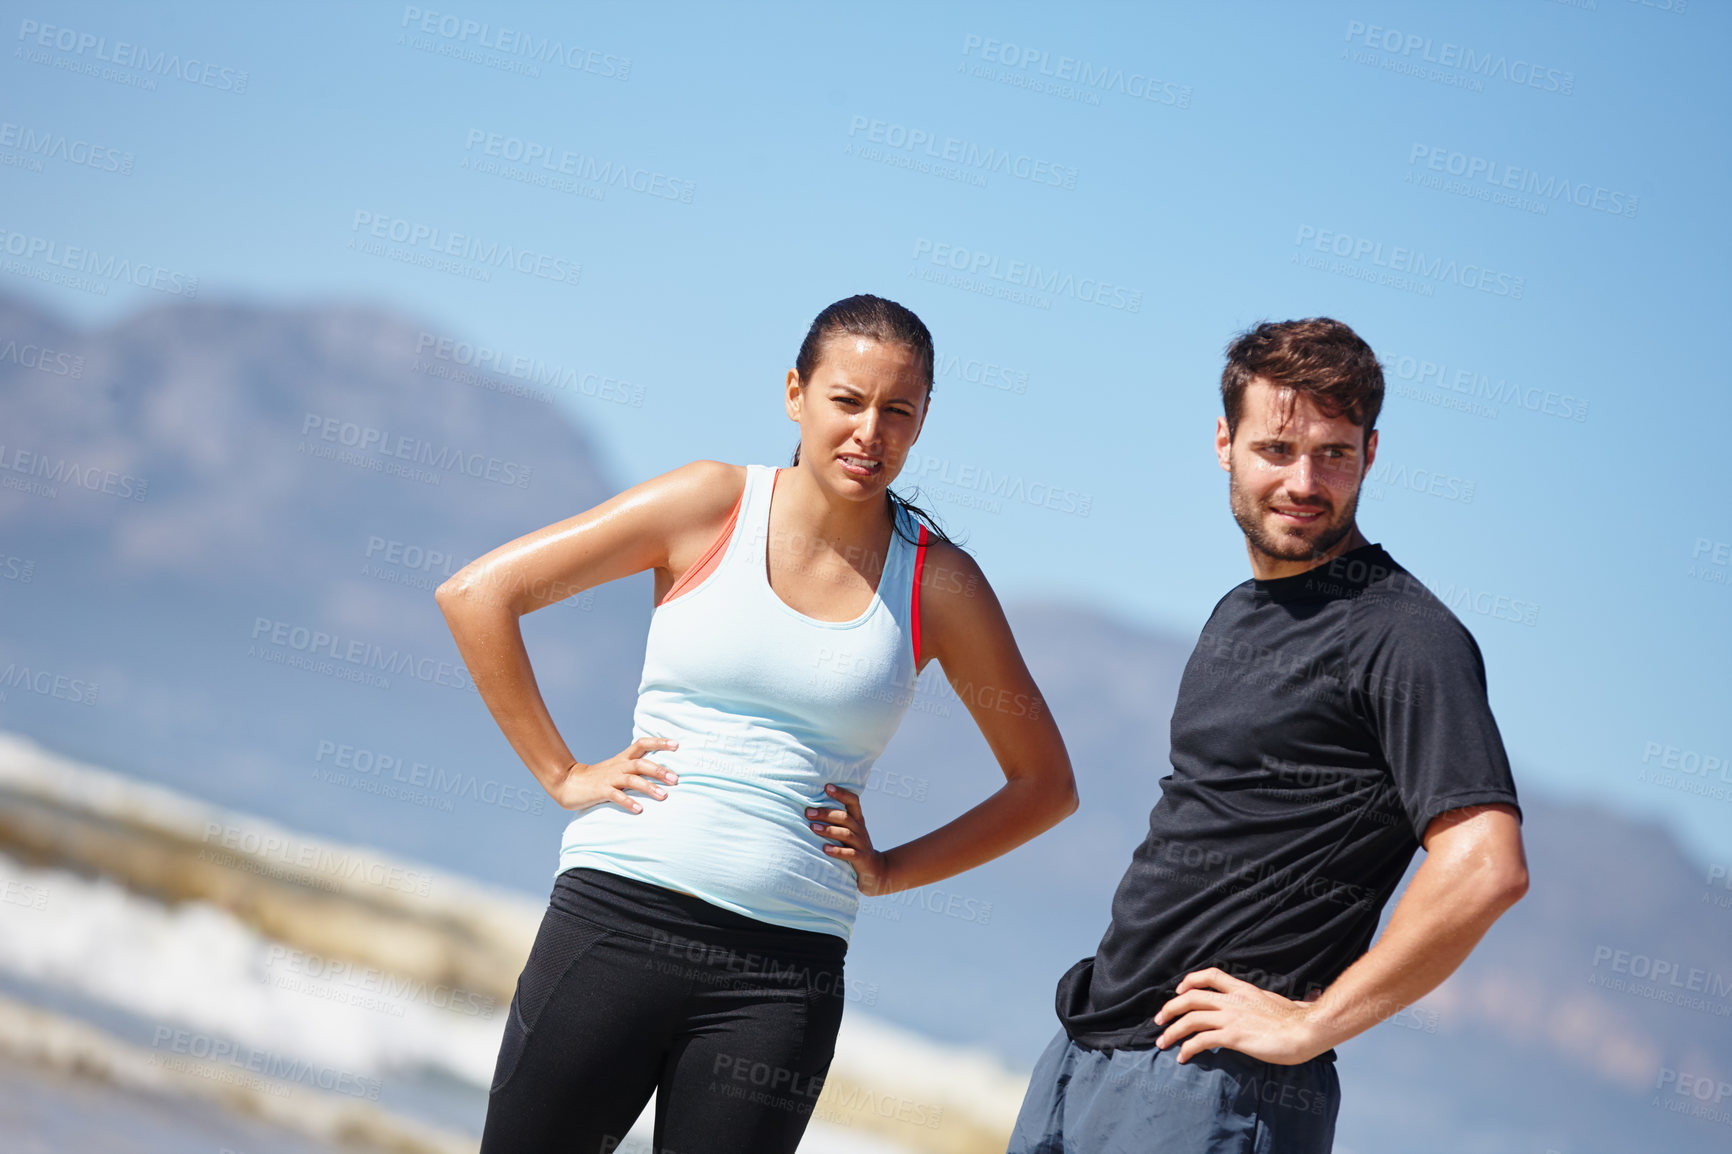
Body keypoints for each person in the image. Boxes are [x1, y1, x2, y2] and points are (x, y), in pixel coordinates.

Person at [435, 294, 1077, 1154]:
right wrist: (562, 773)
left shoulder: (937, 584)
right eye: (847, 401)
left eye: (898, 412)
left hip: (780, 982)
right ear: (795, 394)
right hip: (614, 925)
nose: (869, 433)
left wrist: (887, 870)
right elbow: (480, 596)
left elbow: (1045, 785)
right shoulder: (708, 506)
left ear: (923, 422)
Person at [1007, 317, 1528, 1153]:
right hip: (1087, 1056)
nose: (1305, 480)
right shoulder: (1236, 614)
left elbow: (1486, 865)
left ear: (1372, 453)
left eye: (1335, 452)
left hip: (1215, 1092)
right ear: (1224, 442)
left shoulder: (1403, 634)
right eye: (1278, 449)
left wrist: (1311, 1026)